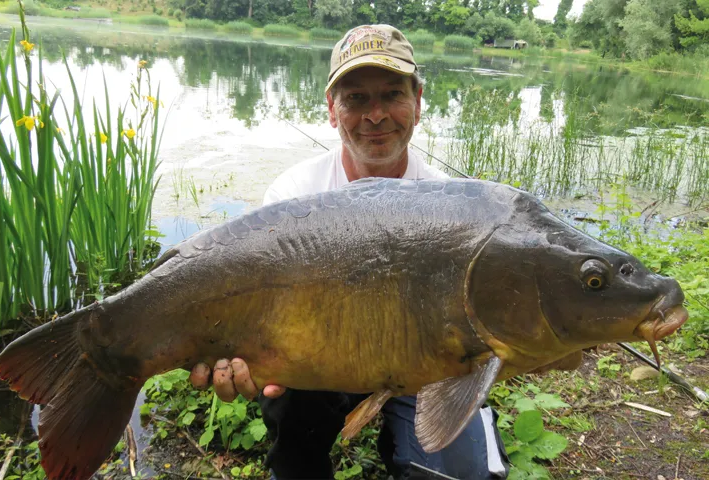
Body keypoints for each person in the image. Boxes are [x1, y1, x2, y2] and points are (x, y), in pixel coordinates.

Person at [190, 25, 510, 480]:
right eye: (356, 98)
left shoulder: (450, 205)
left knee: (461, 471)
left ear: (417, 103)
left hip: (425, 364)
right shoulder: (294, 195)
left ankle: (426, 435)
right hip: (323, 364)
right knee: (291, 401)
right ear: (332, 110)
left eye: (392, 95)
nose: (375, 115)